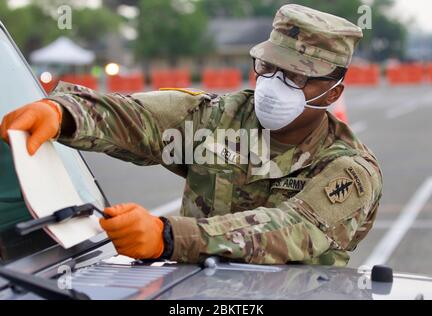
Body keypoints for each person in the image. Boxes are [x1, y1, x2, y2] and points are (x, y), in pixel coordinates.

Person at [0, 4, 382, 266]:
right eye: (268, 66)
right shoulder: (220, 118)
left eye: (296, 76)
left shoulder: (349, 171)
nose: (273, 84)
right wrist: (64, 112)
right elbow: (139, 118)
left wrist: (167, 237)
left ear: (332, 92)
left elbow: (291, 229)